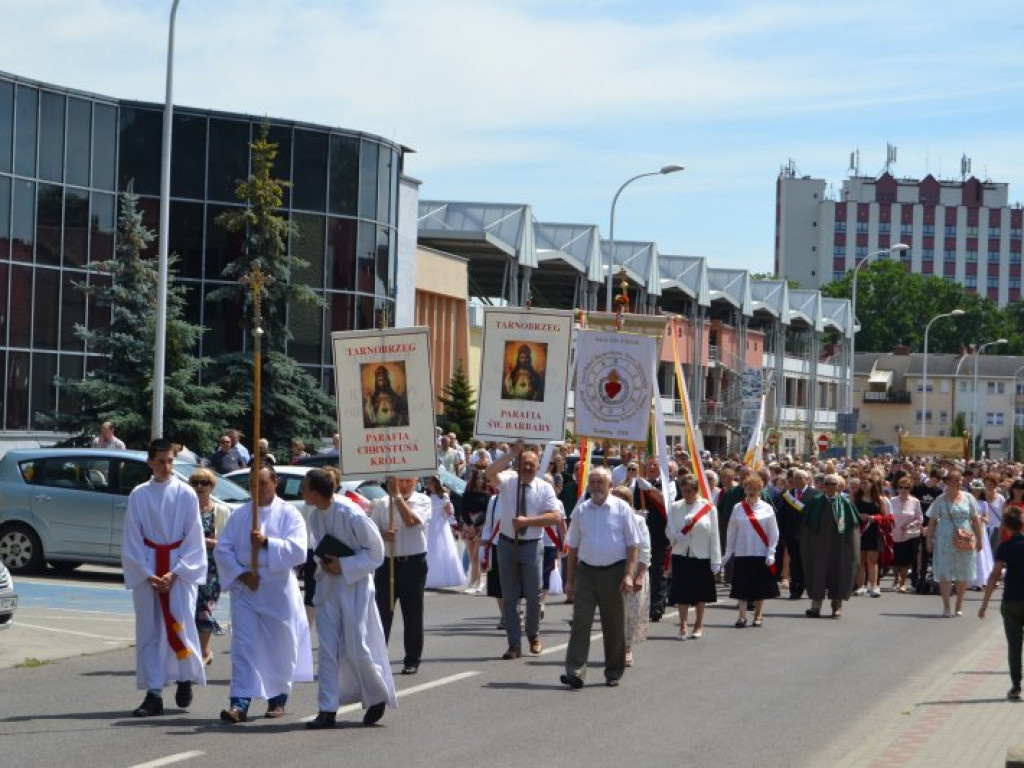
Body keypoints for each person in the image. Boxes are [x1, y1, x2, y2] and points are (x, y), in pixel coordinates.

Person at [214, 466, 312, 722]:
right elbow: (222, 550)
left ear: (275, 483)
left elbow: (299, 551)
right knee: (243, 645)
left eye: (262, 484)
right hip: (246, 586)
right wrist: (242, 574)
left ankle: (277, 698)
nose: (256, 490)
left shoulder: (290, 514)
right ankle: (240, 702)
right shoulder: (241, 515)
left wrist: (268, 543)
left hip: (277, 588)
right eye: (252, 485)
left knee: (279, 645)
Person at [302, 469, 396, 729]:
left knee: (356, 647)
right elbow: (318, 548)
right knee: (328, 650)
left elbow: (375, 553)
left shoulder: (351, 513)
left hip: (354, 587)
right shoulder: (313, 516)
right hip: (328, 588)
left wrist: (343, 565)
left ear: (316, 491)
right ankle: (327, 709)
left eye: (304, 487)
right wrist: (326, 563)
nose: (301, 492)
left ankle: (376, 695)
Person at [121, 438, 207, 717]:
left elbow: (194, 538)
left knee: (180, 626)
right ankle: (153, 693)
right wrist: (147, 574)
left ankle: (184, 678)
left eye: (170, 461)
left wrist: (176, 572)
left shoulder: (186, 494)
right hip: (148, 567)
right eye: (161, 461)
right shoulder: (139, 495)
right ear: (150, 462)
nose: (166, 467)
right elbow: (132, 539)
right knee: (150, 632)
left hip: (178, 569)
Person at [561, 468, 641, 689]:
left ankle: (613, 671)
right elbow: (573, 548)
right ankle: (575, 671)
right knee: (580, 622)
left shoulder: (622, 509)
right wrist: (569, 581)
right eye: (593, 482)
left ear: (610, 485)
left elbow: (633, 546)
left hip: (614, 573)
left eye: (601, 482)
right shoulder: (581, 511)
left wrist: (628, 575)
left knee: (614, 624)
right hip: (585, 573)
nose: (596, 486)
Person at [485, 442, 562, 660]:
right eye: (524, 463)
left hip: (531, 545)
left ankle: (534, 634)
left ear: (538, 467)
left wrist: (528, 521)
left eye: (531, 464)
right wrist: (512, 453)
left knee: (533, 595)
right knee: (509, 596)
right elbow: (489, 472)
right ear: (518, 465)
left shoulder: (544, 487)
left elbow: (555, 517)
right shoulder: (508, 481)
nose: (527, 468)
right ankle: (514, 643)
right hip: (508, 544)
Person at [369, 476, 431, 675]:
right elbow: (369, 533)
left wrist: (397, 498)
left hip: (412, 562)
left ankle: (412, 659)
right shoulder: (381, 504)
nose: (403, 485)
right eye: (399, 481)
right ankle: (378, 659)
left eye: (407, 481)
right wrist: (382, 534)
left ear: (415, 481)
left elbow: (411, 521)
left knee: (412, 614)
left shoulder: (422, 500)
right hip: (387, 563)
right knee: (382, 614)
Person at [667, 474, 720, 640]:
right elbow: (668, 529)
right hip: (681, 553)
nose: (687, 494)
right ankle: (683, 623)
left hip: (701, 554)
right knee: (681, 591)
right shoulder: (675, 507)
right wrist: (675, 535)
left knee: (699, 592)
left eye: (690, 491)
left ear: (696, 490)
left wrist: (716, 559)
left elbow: (714, 534)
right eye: (684, 491)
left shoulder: (709, 508)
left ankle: (699, 623)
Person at [924, 469, 984, 618]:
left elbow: (976, 520)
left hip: (964, 538)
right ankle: (946, 606)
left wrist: (980, 539)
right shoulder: (940, 499)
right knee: (945, 572)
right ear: (947, 482)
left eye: (959, 479)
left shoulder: (968, 498)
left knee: (962, 573)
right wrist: (929, 540)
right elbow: (931, 522)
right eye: (954, 479)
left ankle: (959, 604)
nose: (957, 482)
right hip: (944, 540)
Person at [979, 506, 1024, 700]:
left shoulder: (1004, 547)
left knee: (1014, 645)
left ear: (1005, 526)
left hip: (1011, 600)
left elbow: (994, 576)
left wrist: (984, 603)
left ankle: (1016, 686)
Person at [801, 473, 861, 619]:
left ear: (839, 486)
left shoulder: (845, 504)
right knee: (817, 573)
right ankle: (815, 607)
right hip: (818, 544)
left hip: (839, 545)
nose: (831, 487)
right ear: (822, 486)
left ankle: (837, 606)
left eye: (834, 484)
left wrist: (850, 548)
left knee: (839, 572)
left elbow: (853, 529)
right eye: (827, 484)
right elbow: (806, 526)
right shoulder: (814, 502)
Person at [724, 475, 779, 628]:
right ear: (745, 489)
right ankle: (742, 616)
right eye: (749, 488)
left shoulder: (767, 508)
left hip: (761, 552)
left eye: (755, 489)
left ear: (760, 490)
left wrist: (771, 552)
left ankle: (758, 614)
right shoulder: (737, 508)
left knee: (759, 586)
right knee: (742, 586)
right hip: (742, 552)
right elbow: (731, 531)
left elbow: (773, 532)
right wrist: (728, 552)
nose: (752, 491)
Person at [189, 467, 231, 666]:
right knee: (189, 608)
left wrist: (209, 543)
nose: (199, 487)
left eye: (204, 483)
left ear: (211, 487)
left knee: (206, 608)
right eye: (195, 483)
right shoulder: (186, 509)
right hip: (189, 565)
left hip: (213, 568)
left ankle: (204, 650)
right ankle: (193, 649)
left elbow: (229, 542)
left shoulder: (221, 511)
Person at [610, 485, 649, 667]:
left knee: (632, 613)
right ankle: (614, 648)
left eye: (621, 500)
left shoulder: (638, 521)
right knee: (614, 612)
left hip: (634, 571)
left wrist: (639, 575)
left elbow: (645, 550)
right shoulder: (607, 519)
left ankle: (627, 648)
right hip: (612, 570)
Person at [634, 457, 673, 622]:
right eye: (648, 464)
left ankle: (656, 606)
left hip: (660, 533)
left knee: (657, 571)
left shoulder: (669, 484)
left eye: (655, 464)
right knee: (641, 569)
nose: (651, 467)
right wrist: (636, 513)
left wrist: (649, 489)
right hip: (641, 532)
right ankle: (641, 605)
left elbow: (667, 503)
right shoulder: (637, 485)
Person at [778, 469, 819, 600]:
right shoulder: (787, 495)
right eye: (796, 478)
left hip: (809, 536)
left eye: (801, 478)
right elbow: (782, 516)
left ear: (807, 480)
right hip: (792, 535)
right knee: (795, 563)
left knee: (809, 562)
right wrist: (783, 534)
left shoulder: (815, 494)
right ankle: (795, 589)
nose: (798, 480)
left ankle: (811, 588)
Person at [423, 476, 467, 589]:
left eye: (431, 484)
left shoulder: (444, 496)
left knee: (443, 548)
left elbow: (450, 512)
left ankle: (445, 576)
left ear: (436, 485)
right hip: (430, 525)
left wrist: (451, 518)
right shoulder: (426, 496)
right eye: (429, 484)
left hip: (440, 525)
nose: (429, 486)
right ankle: (429, 576)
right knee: (430, 548)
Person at [853, 476, 891, 598]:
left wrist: (874, 518)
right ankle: (861, 586)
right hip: (859, 532)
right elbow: (850, 513)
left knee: (872, 560)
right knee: (861, 560)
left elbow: (886, 518)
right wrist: (859, 516)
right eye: (862, 483)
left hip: (874, 532)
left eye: (866, 483)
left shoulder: (879, 500)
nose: (863, 485)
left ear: (872, 484)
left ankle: (874, 586)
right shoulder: (856, 499)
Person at [889, 477, 923, 593]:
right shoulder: (892, 500)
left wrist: (910, 525)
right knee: (894, 559)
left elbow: (920, 518)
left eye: (906, 488)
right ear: (898, 488)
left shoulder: (915, 502)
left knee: (905, 560)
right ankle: (895, 579)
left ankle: (903, 582)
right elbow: (887, 516)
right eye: (901, 487)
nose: (903, 490)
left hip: (907, 535)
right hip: (893, 533)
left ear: (910, 489)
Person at [460, 469, 492, 593]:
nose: (480, 481)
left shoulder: (487, 495)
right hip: (469, 526)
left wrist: (476, 525)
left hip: (481, 526)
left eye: (482, 479)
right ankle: (474, 581)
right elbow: (463, 510)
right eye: (478, 478)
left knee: (476, 555)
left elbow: (487, 512)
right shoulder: (467, 494)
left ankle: (478, 582)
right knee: (470, 553)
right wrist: (469, 524)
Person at [970, 479, 996, 590]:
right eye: (974, 490)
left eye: (978, 490)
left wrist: (980, 518)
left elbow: (987, 518)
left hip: (980, 529)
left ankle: (979, 579)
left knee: (980, 554)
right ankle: (969, 579)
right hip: (969, 528)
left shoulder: (984, 503)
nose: (976, 492)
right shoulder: (967, 501)